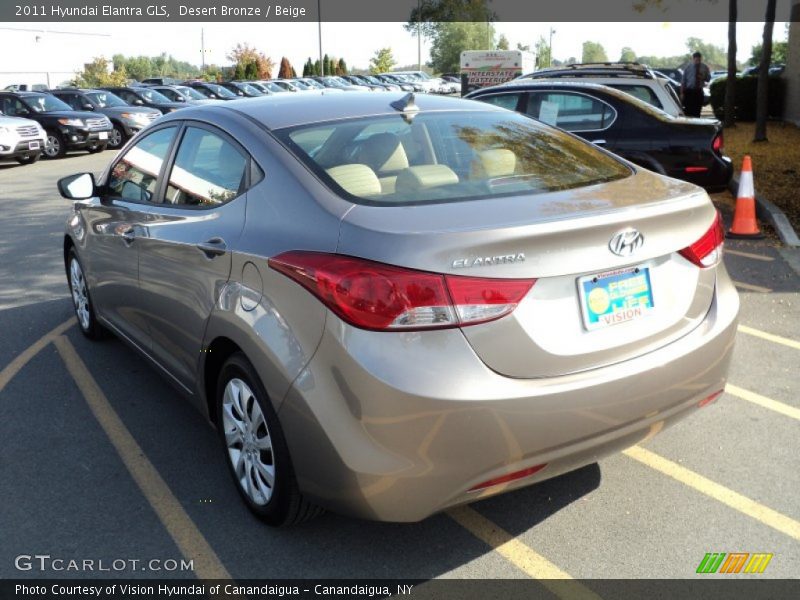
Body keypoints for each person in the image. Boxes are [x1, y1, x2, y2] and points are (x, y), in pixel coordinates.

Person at [681, 52, 711, 117]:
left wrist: (703, 77)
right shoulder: (688, 68)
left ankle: (696, 124)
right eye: (696, 60)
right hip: (689, 92)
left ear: (701, 59)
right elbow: (683, 81)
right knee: (688, 111)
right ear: (693, 59)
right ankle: (688, 126)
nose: (698, 62)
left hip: (698, 92)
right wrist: (682, 93)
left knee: (697, 111)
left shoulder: (704, 67)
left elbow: (708, 79)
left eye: (699, 60)